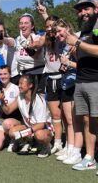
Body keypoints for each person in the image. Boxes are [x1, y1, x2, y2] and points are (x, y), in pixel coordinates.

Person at [67, 0, 98, 172]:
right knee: (87, 121)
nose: (83, 13)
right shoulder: (85, 30)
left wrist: (78, 43)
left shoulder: (96, 28)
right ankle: (90, 157)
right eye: (80, 10)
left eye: (87, 9)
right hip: (82, 81)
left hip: (96, 81)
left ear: (96, 9)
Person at [2, 75, 53, 158]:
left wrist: (24, 133)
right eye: (19, 83)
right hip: (30, 127)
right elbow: (8, 111)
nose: (19, 86)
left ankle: (46, 145)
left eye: (22, 83)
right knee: (12, 132)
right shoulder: (20, 97)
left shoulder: (38, 100)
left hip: (44, 129)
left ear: (30, 85)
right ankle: (28, 142)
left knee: (39, 134)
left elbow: (41, 125)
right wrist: (2, 101)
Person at [48, 19, 77, 163]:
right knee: (68, 121)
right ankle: (69, 147)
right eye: (56, 32)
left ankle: (75, 150)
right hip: (65, 83)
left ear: (67, 28)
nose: (58, 34)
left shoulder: (75, 42)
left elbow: (85, 66)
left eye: (60, 31)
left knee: (73, 120)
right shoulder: (61, 44)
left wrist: (69, 63)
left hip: (76, 83)